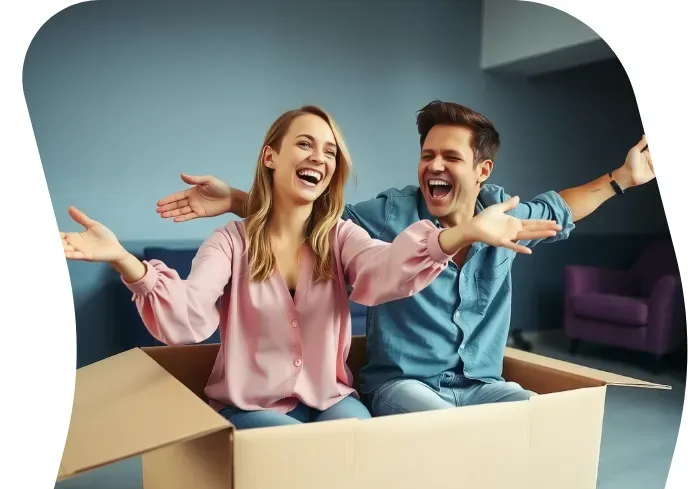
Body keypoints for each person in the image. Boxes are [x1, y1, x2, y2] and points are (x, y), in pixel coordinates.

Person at [61, 105, 560, 429]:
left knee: (359, 440)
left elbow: (386, 270)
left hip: (329, 397)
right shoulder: (230, 242)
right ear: (271, 156)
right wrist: (127, 261)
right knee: (299, 451)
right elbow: (187, 318)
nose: (318, 156)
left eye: (329, 151)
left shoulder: (342, 238)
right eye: (305, 144)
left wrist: (464, 231)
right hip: (252, 405)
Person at [154, 100, 656, 417]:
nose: (434, 166)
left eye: (451, 158)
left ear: (481, 170)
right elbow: (309, 214)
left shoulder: (503, 215)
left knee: (541, 418)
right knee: (443, 428)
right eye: (427, 155)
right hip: (403, 385)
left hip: (480, 384)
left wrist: (622, 178)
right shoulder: (386, 216)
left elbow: (561, 207)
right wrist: (238, 199)